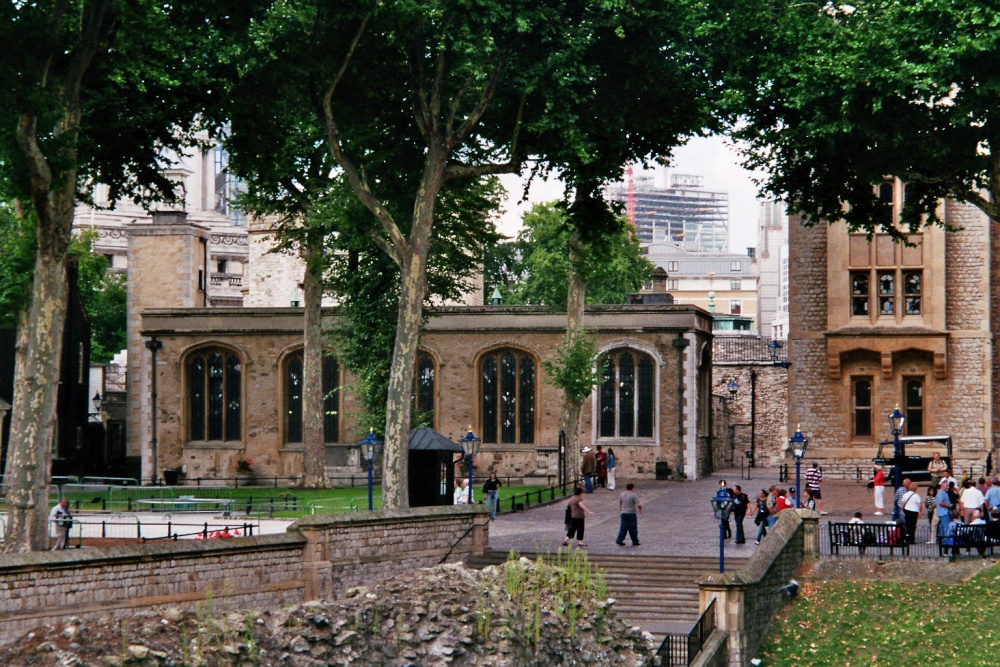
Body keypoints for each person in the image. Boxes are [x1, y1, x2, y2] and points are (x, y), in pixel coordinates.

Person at [901, 480, 923, 544]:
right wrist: (920, 511)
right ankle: (912, 539)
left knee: (907, 525)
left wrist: (902, 510)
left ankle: (907, 538)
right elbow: (920, 505)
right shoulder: (916, 496)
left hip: (907, 510)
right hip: (914, 511)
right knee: (913, 525)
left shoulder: (905, 494)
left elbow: (903, 503)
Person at [934, 478, 954, 543]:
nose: (947, 487)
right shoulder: (941, 493)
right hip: (944, 512)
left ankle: (943, 540)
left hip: (943, 512)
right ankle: (946, 540)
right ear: (942, 485)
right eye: (946, 486)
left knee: (942, 526)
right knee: (946, 527)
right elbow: (940, 502)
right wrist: (948, 506)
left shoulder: (944, 492)